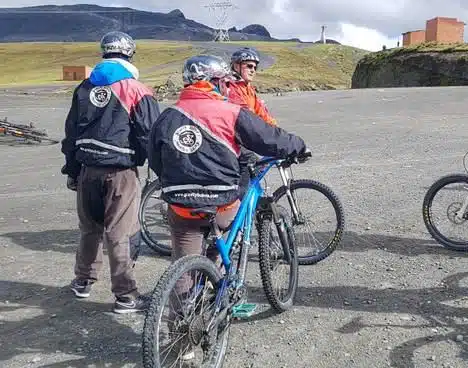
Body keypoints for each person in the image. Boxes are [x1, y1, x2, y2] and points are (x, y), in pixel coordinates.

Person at [147, 55, 308, 300]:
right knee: (229, 234)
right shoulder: (231, 112)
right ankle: (218, 288)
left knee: (182, 264)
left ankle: (179, 325)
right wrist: (298, 146)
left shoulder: (168, 116)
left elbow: (156, 160)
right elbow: (268, 138)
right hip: (221, 201)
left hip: (181, 204)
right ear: (217, 82)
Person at [61, 30, 160, 314]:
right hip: (120, 170)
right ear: (129, 53)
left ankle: (82, 282)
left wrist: (72, 169)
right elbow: (150, 134)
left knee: (89, 229)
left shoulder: (84, 87)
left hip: (87, 169)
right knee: (120, 232)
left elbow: (71, 132)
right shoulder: (135, 89)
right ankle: (126, 296)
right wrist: (159, 166)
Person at [226, 47, 278, 196]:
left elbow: (262, 113)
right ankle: (239, 205)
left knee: (258, 163)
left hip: (242, 136)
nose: (253, 70)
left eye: (255, 67)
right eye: (249, 66)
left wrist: (279, 133)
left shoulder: (249, 89)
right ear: (236, 66)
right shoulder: (231, 88)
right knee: (251, 161)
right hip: (230, 138)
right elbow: (246, 117)